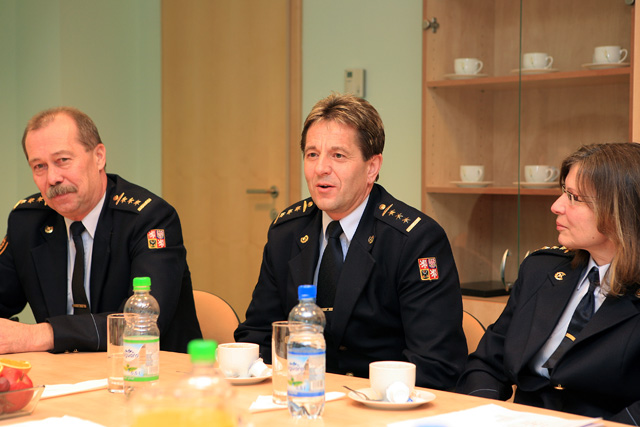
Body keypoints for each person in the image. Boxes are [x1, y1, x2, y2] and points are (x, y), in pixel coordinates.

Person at [235, 93, 466, 390]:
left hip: (380, 401)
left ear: (372, 167)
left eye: (338, 156)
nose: (321, 168)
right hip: (300, 396)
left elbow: (436, 364)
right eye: (312, 154)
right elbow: (259, 334)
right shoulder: (287, 232)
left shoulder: (415, 241)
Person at [456, 142, 640, 424]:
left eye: (574, 198)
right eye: (563, 192)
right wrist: (481, 415)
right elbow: (488, 363)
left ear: (621, 211)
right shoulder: (541, 270)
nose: (556, 206)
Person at [0, 106, 202, 354]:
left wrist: (42, 335)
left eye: (62, 161)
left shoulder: (149, 219)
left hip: (148, 369)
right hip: (63, 372)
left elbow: (143, 322)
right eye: (39, 166)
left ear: (99, 157)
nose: (52, 178)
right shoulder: (28, 221)